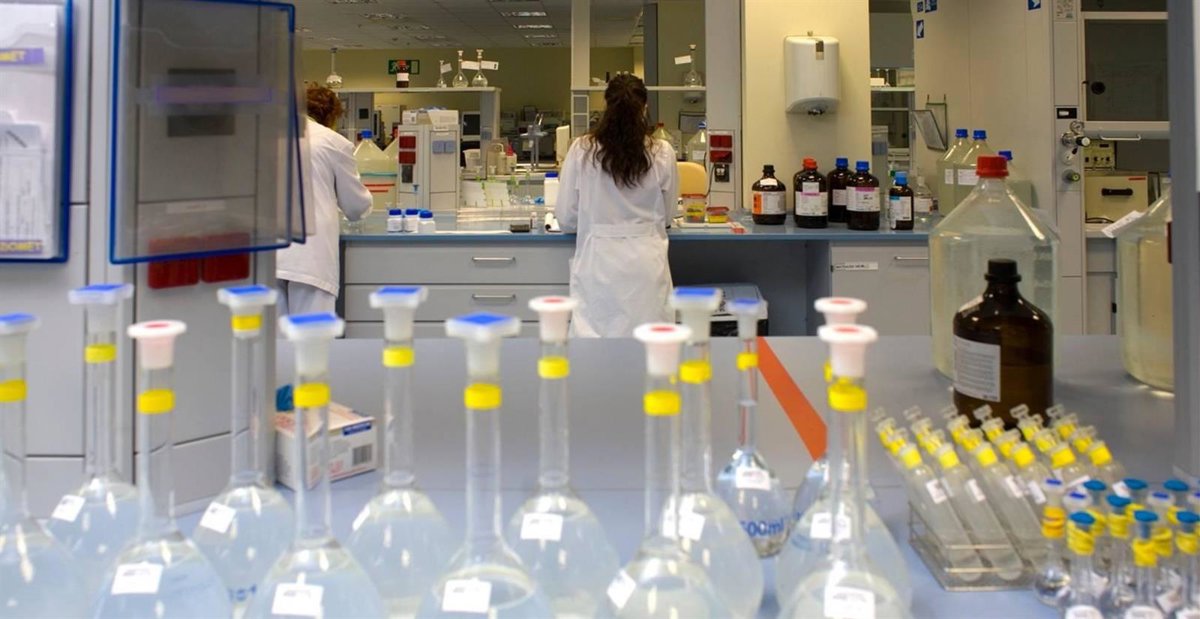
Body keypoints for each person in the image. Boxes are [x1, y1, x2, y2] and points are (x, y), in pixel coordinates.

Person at [555, 74, 679, 337]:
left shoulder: (582, 150)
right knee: (650, 346)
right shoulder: (662, 152)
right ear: (644, 108)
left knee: (596, 347)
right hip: (646, 264)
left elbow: (566, 218)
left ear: (606, 106)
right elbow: (668, 215)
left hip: (599, 263)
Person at [276, 85, 372, 316]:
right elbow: (355, 207)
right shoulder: (333, 142)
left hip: (269, 257)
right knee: (312, 333)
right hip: (311, 258)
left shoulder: (266, 135)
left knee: (273, 337)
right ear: (330, 115)